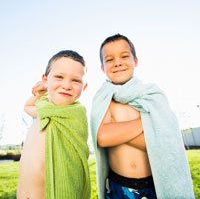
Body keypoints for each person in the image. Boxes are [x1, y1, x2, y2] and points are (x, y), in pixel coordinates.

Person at [90, 34, 195, 199]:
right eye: (109, 59)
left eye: (124, 56)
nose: (117, 62)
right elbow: (103, 137)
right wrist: (149, 121)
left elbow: (160, 143)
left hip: (153, 185)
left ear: (135, 61)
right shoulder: (104, 98)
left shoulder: (151, 96)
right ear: (102, 68)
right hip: (119, 186)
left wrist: (117, 128)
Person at [17, 50, 91, 199]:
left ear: (84, 87)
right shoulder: (45, 110)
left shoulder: (75, 113)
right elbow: (27, 107)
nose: (66, 85)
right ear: (45, 79)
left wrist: (49, 87)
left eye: (75, 80)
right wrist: (41, 93)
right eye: (59, 77)